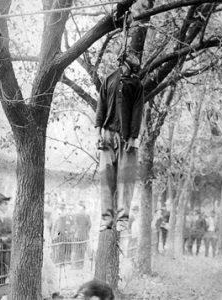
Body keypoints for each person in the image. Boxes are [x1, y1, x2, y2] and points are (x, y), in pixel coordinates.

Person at [95, 52, 144, 232]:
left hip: (127, 139)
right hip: (107, 135)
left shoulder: (136, 84)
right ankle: (106, 220)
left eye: (132, 69)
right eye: (127, 67)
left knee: (126, 179)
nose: (128, 71)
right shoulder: (108, 80)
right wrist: (97, 132)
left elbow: (138, 111)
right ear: (121, 64)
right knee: (106, 179)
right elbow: (100, 107)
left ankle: (122, 220)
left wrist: (133, 137)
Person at [72, 201, 91, 269]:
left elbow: (74, 225)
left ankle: (76, 265)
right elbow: (89, 225)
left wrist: (76, 231)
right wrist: (86, 231)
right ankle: (81, 265)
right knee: (82, 251)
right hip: (84, 235)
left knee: (77, 250)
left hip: (77, 235)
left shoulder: (76, 215)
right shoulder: (87, 215)